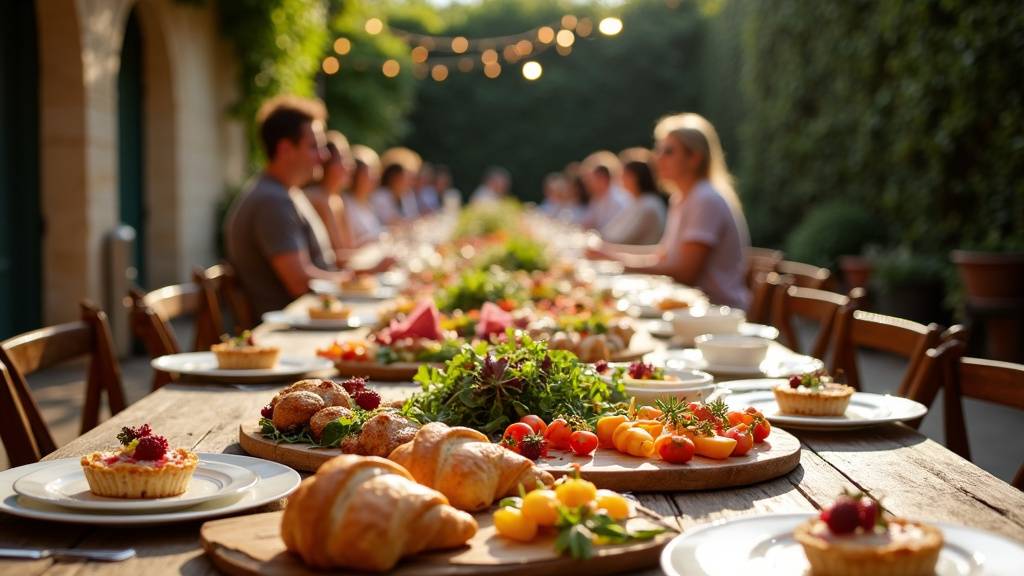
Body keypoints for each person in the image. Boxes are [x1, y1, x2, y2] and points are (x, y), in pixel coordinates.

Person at [586, 113, 750, 309]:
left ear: (695, 158)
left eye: (669, 151)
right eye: (659, 150)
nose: (658, 159)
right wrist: (609, 252)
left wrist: (613, 259)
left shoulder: (705, 198)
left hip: (719, 314)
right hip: (695, 310)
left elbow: (685, 272)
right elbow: (662, 256)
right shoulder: (682, 198)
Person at [224, 96, 351, 316]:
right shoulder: (272, 201)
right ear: (285, 149)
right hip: (289, 332)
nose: (324, 156)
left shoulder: (284, 192)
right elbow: (299, 282)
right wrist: (353, 280)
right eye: (314, 146)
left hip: (305, 320)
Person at [304, 130, 356, 254]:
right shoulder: (317, 198)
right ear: (326, 164)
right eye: (342, 159)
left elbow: (349, 248)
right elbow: (337, 256)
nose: (350, 165)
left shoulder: (336, 199)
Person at [600, 151, 666, 245]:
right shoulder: (636, 201)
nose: (620, 179)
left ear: (635, 177)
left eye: (624, 174)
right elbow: (609, 231)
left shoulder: (649, 205)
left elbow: (623, 239)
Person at [579, 151, 630, 234]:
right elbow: (585, 224)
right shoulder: (597, 198)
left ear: (602, 178)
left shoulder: (619, 199)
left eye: (590, 180)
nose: (587, 184)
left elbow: (614, 232)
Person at [344, 145, 384, 247]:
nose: (375, 178)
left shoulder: (368, 202)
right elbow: (349, 246)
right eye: (370, 173)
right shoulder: (344, 204)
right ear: (355, 175)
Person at [372, 147, 421, 224]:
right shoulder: (380, 196)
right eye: (406, 177)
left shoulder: (407, 196)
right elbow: (390, 222)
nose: (410, 182)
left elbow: (413, 218)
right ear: (393, 178)